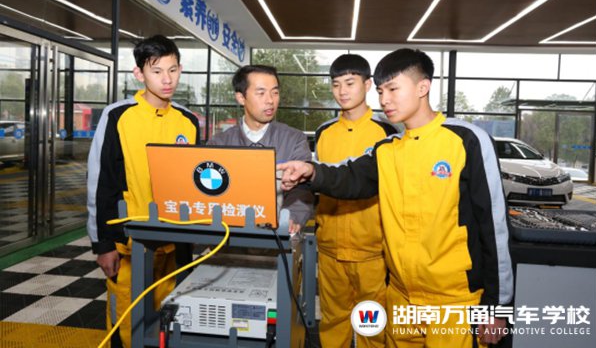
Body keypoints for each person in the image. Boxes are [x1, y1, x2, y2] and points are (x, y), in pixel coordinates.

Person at [278, 49, 513, 347]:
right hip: (401, 297)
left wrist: (497, 308)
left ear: (422, 87)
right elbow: (350, 177)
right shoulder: (386, 149)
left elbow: (494, 229)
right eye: (380, 91)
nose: (384, 100)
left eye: (392, 89)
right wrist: (311, 171)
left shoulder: (466, 141)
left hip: (454, 299)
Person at [87, 35, 200, 348]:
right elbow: (102, 182)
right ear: (139, 74)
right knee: (127, 324)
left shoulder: (188, 122)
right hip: (129, 245)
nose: (167, 79)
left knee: (170, 323)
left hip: (174, 244)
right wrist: (103, 244)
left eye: (173, 70)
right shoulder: (118, 116)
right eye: (157, 71)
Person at [315, 54, 397, 348]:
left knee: (371, 327)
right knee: (332, 320)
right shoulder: (324, 133)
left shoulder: (387, 133)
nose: (342, 91)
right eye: (336, 84)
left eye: (350, 83)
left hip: (372, 252)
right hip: (330, 249)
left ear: (368, 84)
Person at [207, 64, 314, 233]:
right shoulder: (218, 144)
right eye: (261, 93)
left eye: (275, 92)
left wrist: (292, 217)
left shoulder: (294, 140)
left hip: (277, 238)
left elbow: (302, 189)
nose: (270, 100)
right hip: (229, 238)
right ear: (241, 97)